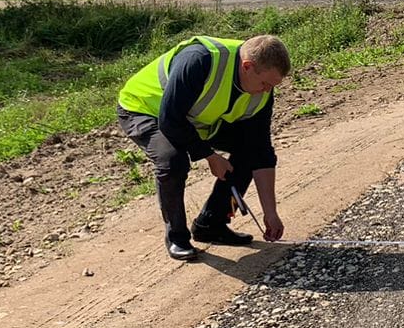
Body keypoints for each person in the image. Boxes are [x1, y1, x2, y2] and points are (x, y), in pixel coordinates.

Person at [118, 33, 290, 261]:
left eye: (273, 85)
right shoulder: (200, 60)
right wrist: (209, 155)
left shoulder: (261, 88)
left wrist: (271, 213)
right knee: (172, 160)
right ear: (247, 66)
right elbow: (170, 120)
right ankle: (177, 238)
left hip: (195, 119)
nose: (267, 91)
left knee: (249, 150)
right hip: (146, 110)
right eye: (265, 84)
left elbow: (260, 149)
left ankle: (211, 224)